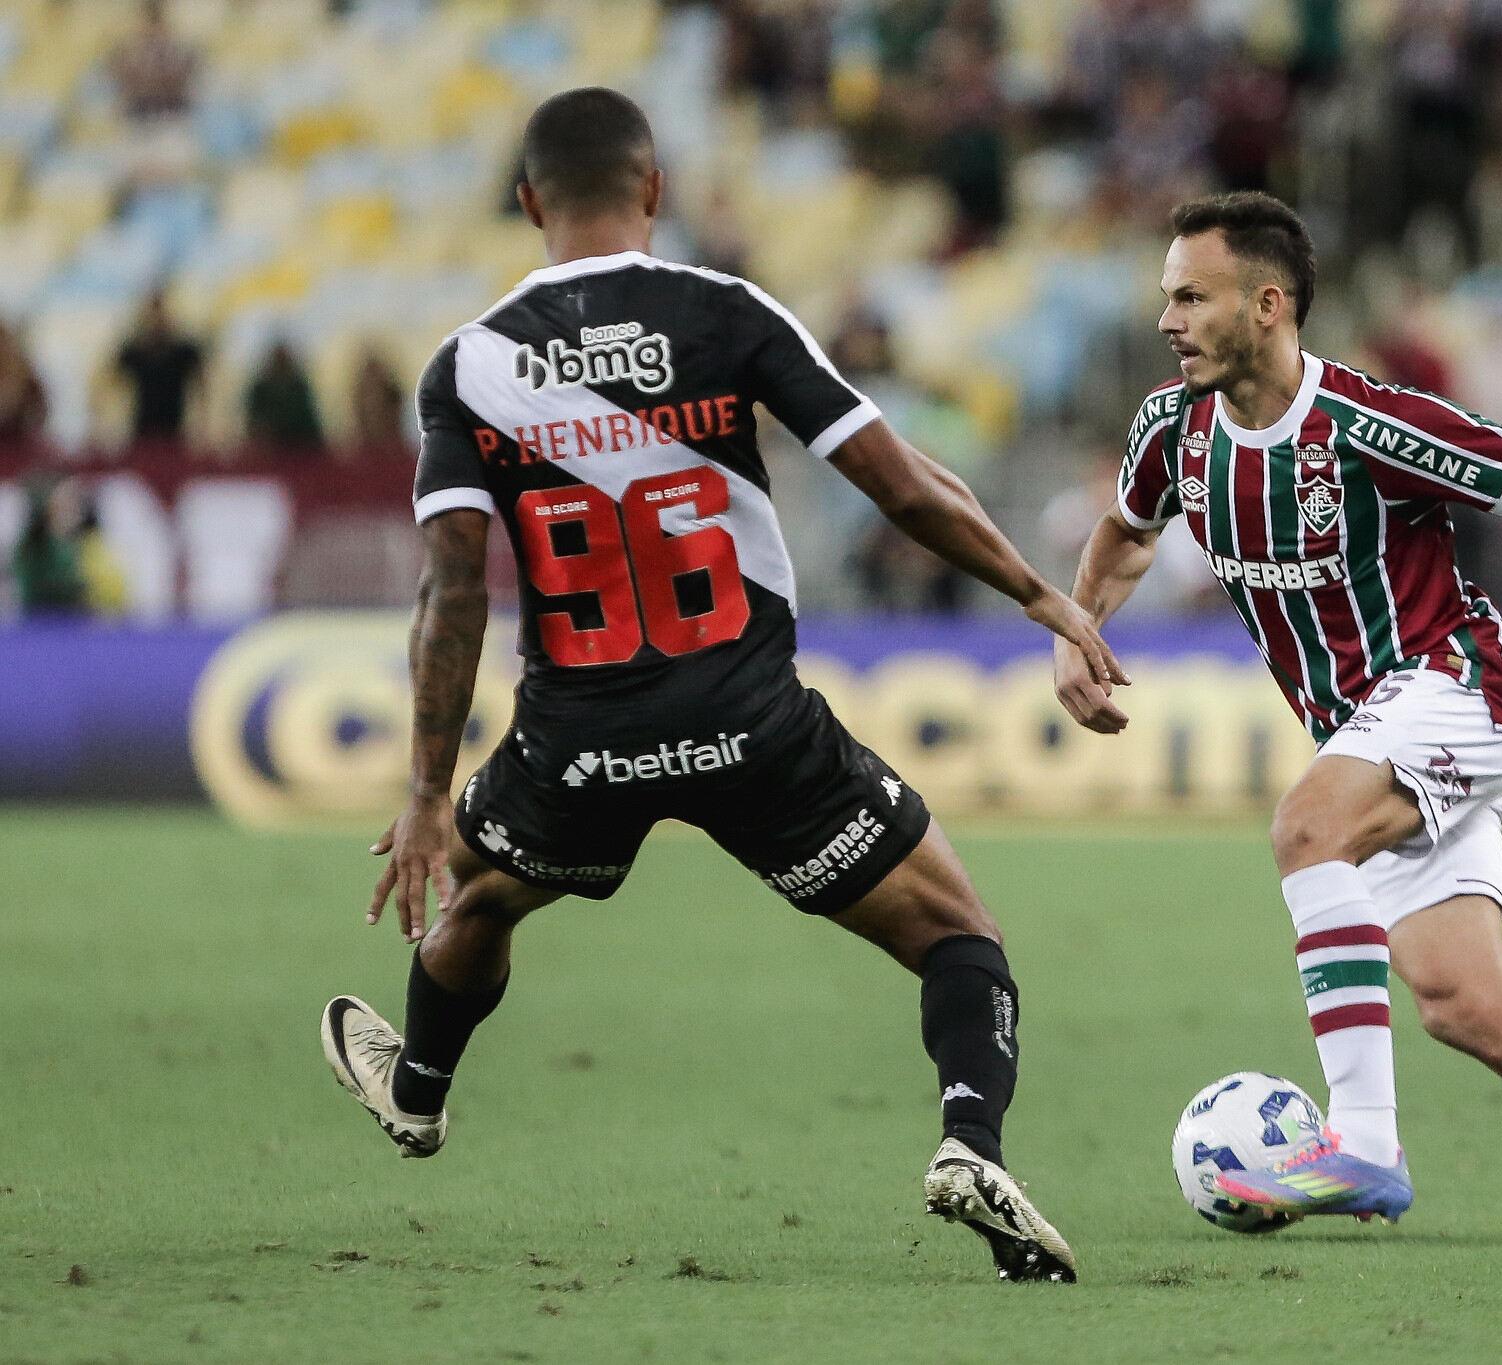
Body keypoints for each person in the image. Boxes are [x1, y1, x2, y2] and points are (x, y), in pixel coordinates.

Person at [319, 88, 1121, 1284]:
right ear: (654, 190)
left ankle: (420, 1091)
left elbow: (452, 591)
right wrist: (1042, 597)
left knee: (476, 899)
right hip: (752, 722)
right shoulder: (726, 315)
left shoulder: (468, 367)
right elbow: (899, 486)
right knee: (960, 935)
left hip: (576, 737)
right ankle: (968, 1142)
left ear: (529, 200)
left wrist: (429, 787)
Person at [1055, 192, 1502, 1243]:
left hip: (1455, 688)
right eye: (1163, 297)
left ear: (1266, 304)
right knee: (1461, 1004)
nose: (1166, 320)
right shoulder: (1170, 432)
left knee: (1305, 830)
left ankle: (1360, 1144)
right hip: (1366, 735)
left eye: (1190, 296)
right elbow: (1126, 535)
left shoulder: (1369, 425)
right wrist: (1073, 628)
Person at [114, 289, 205, 450]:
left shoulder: (182, 351)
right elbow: (113, 378)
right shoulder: (137, 349)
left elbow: (201, 381)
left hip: (174, 429)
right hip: (143, 428)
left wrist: (202, 424)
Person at [243, 339, 325, 456]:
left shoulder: (298, 388)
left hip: (299, 447)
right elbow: (254, 421)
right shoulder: (262, 389)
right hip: (269, 448)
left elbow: (307, 420)